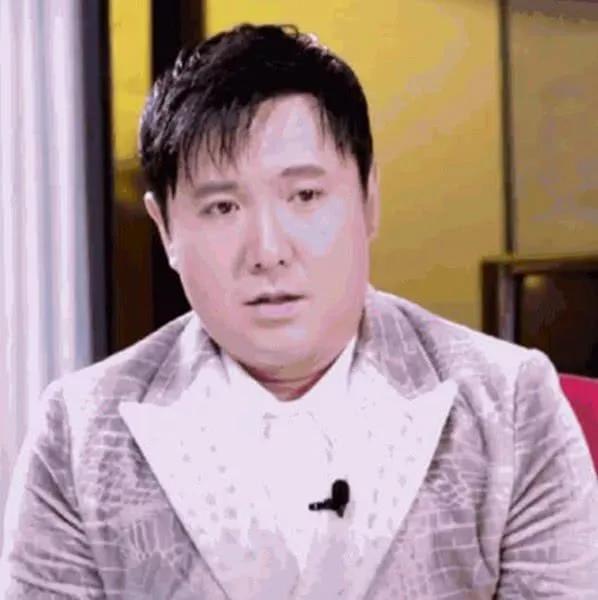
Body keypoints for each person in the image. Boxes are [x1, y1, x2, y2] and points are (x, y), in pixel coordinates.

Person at [1, 23, 597, 600]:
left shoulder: (510, 405)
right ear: (166, 230)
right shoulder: (79, 434)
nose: (268, 251)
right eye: (222, 207)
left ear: (368, 199)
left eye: (305, 196)